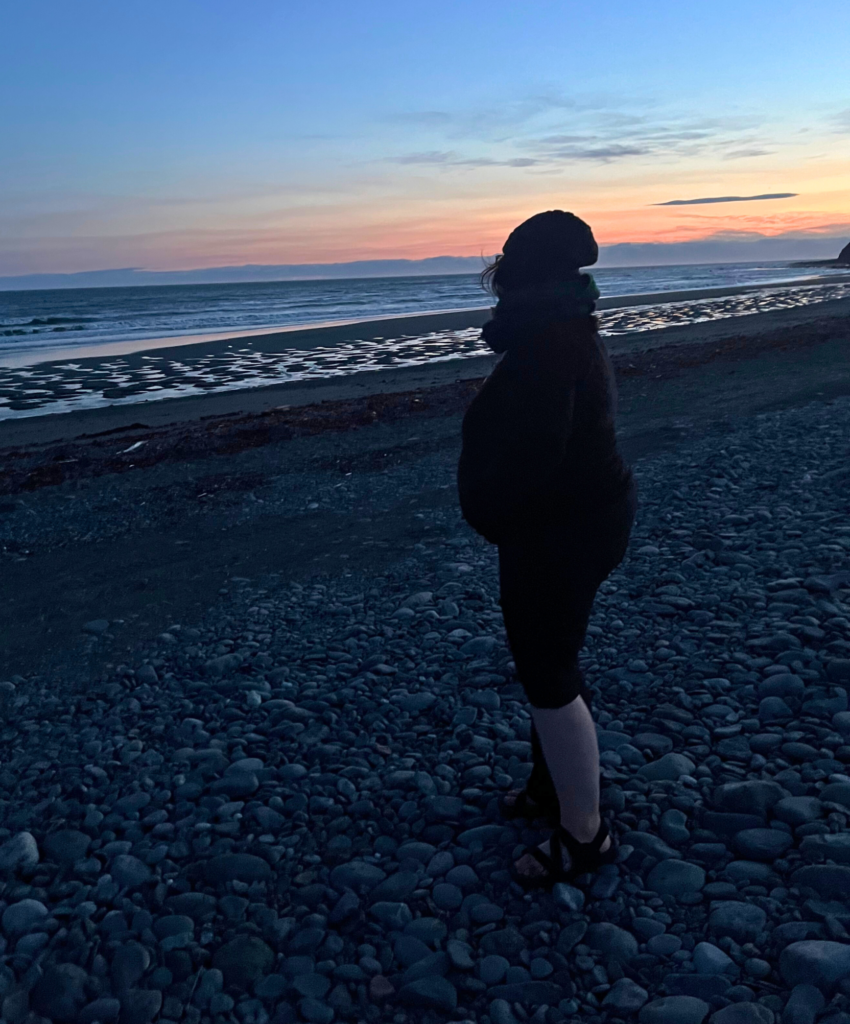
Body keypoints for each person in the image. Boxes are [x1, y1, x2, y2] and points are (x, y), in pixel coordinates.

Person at [457, 210, 637, 887]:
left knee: (548, 672)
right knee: (552, 660)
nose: (497, 273)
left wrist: (493, 512)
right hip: (587, 516)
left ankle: (585, 835)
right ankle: (550, 786)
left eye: (507, 259)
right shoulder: (565, 326)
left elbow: (534, 457)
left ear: (525, 269)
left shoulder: (550, 344)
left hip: (563, 529)